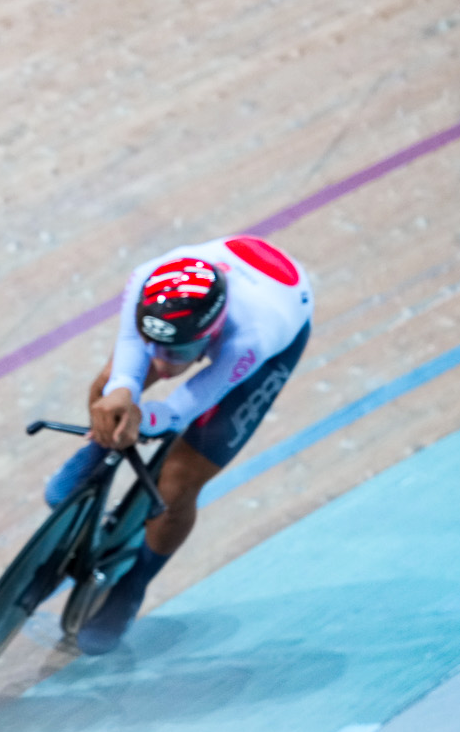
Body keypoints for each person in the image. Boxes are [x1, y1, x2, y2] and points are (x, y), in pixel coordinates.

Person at [45, 235, 314, 652]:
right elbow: (131, 359)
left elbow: (181, 410)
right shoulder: (145, 278)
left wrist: (145, 416)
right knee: (108, 388)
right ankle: (98, 451)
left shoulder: (253, 338)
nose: (164, 361)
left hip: (278, 329)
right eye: (156, 343)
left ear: (213, 332)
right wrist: (119, 398)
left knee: (178, 481)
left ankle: (132, 588)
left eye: (180, 351)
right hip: (198, 302)